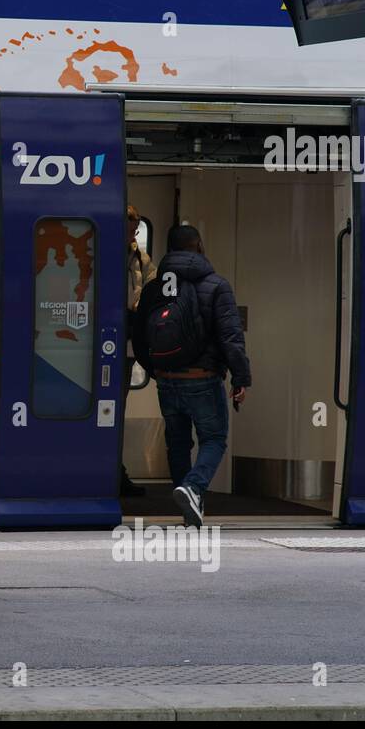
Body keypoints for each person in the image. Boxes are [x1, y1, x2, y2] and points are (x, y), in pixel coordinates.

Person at [132, 224, 251, 528]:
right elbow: (230, 337)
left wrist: (157, 371)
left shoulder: (152, 288)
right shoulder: (216, 285)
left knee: (178, 442)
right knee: (214, 438)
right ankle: (193, 488)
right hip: (203, 378)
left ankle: (190, 508)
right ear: (199, 245)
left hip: (167, 379)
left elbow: (139, 336)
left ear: (169, 250)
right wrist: (241, 378)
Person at [120, 204, 157, 498]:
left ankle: (115, 471)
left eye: (134, 230)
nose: (131, 234)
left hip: (128, 336)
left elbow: (152, 290)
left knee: (117, 410)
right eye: (129, 228)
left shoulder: (141, 260)